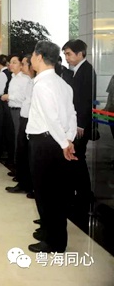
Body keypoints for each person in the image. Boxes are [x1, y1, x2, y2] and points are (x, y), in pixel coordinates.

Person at [26, 41, 77, 253]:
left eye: (32, 55)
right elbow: (72, 114)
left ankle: (54, 242)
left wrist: (65, 143)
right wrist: (69, 139)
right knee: (55, 192)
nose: (30, 59)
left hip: (46, 143)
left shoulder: (42, 85)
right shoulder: (62, 84)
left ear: (39, 57)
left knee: (46, 193)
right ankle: (48, 231)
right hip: (58, 141)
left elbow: (51, 118)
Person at [62, 39, 96, 210]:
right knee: (75, 159)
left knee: (78, 158)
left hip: (80, 125)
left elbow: (85, 101)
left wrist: (80, 124)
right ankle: (78, 193)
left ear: (80, 53)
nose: (66, 58)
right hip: (74, 123)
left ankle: (84, 195)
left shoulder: (87, 71)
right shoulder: (76, 71)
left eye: (69, 54)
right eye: (65, 54)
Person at [6, 54, 35, 195]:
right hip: (22, 115)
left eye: (23, 64)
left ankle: (26, 181)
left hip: (28, 118)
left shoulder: (31, 81)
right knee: (20, 147)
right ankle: (22, 179)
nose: (21, 66)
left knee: (24, 149)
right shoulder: (30, 81)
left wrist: (9, 97)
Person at [1, 54, 31, 155]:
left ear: (21, 65)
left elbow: (23, 97)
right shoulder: (13, 77)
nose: (11, 65)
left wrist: (9, 97)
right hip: (11, 110)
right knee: (12, 136)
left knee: (19, 138)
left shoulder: (24, 79)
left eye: (14, 63)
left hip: (19, 111)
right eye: (10, 63)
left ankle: (18, 161)